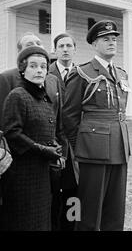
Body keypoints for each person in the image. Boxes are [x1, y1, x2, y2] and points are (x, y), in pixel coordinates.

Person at [63, 20, 130, 231]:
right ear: (94, 43)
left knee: (115, 210)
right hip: (93, 150)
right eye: (105, 39)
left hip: (119, 147)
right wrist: (81, 148)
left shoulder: (121, 74)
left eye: (114, 39)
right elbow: (69, 116)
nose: (111, 43)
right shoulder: (82, 72)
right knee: (89, 211)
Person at [0, 46, 67, 230]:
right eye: (33, 66)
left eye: (43, 67)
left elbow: (48, 130)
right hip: (22, 175)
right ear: (23, 69)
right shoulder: (18, 96)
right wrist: (42, 149)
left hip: (43, 174)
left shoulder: (44, 98)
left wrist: (55, 149)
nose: (39, 70)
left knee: (42, 220)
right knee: (24, 221)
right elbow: (12, 133)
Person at [48, 33, 78, 231]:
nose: (65, 49)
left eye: (69, 45)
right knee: (53, 192)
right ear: (56, 50)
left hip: (76, 143)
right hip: (53, 141)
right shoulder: (46, 73)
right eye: (61, 46)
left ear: (74, 49)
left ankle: (72, 226)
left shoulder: (82, 74)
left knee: (75, 191)